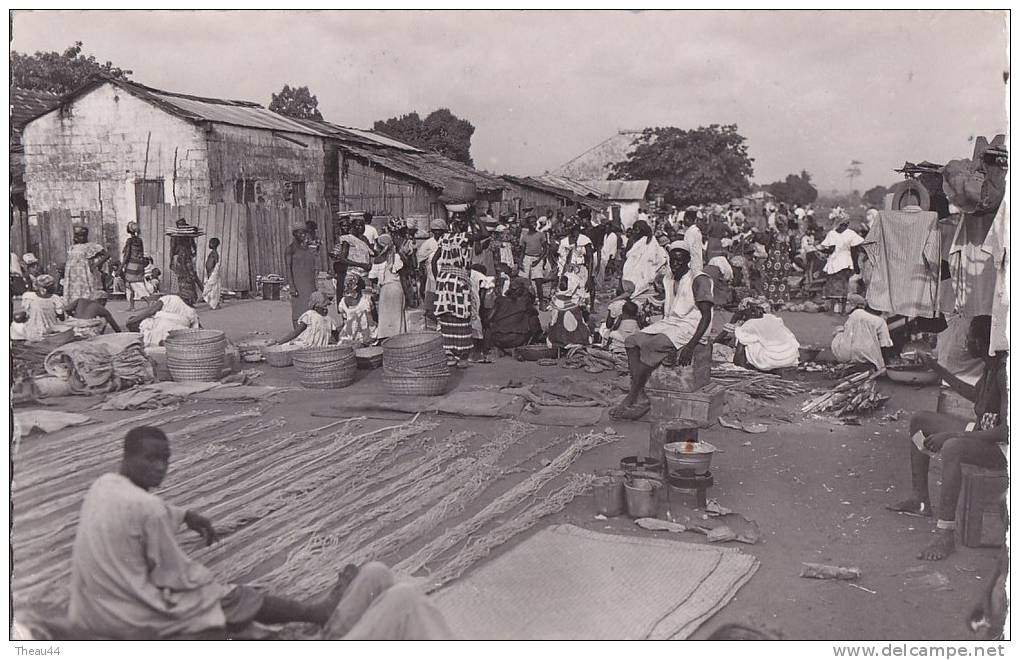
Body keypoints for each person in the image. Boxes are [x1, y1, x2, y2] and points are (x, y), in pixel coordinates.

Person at [67, 425, 452, 640]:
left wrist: (186, 515)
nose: (159, 470)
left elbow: (142, 508)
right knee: (401, 597)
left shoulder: (104, 486)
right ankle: (317, 614)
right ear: (127, 457)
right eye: (150, 460)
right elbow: (194, 586)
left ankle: (319, 618)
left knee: (376, 573)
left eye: (164, 461)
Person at [887, 316, 1007, 561]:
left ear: (986, 342)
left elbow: (1008, 432)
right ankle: (920, 500)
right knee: (920, 420)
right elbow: (975, 396)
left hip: (1003, 448)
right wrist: (937, 368)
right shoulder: (991, 365)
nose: (967, 342)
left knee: (952, 447)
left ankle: (945, 533)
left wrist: (954, 434)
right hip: (984, 432)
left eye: (971, 337)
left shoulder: (1006, 373)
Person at [611, 242, 714, 420]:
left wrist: (690, 346)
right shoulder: (668, 278)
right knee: (631, 341)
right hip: (672, 323)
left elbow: (706, 316)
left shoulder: (699, 279)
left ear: (688, 261)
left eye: (680, 261)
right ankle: (641, 395)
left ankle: (632, 395)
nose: (675, 265)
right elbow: (666, 304)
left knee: (652, 345)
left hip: (692, 326)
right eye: (673, 261)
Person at [433, 215, 482, 366]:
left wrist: (438, 279)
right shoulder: (464, 237)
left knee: (447, 315)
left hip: (444, 279)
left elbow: (435, 260)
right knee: (461, 315)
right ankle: (462, 356)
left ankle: (450, 353)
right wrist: (475, 218)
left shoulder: (444, 238)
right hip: (458, 280)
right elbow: (484, 234)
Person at [616, 220, 668, 313]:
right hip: (633, 274)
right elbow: (628, 256)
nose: (635, 232)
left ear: (642, 230)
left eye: (637, 230)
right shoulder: (633, 240)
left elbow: (658, 258)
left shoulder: (651, 241)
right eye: (634, 230)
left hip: (647, 276)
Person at [830, 297, 894, 370]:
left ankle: (851, 363)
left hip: (846, 352)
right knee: (872, 361)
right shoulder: (880, 321)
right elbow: (885, 345)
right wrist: (886, 364)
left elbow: (847, 329)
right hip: (867, 355)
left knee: (839, 331)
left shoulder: (857, 313)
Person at [819, 215, 864, 314]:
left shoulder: (832, 234)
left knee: (833, 286)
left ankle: (832, 310)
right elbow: (854, 250)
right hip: (846, 262)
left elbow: (830, 250)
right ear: (846, 224)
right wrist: (856, 265)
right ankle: (842, 310)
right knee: (844, 286)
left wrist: (822, 250)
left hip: (835, 263)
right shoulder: (851, 234)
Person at [486, 277, 542, 352]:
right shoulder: (524, 303)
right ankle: (531, 343)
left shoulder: (500, 300)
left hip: (496, 338)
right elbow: (535, 313)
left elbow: (489, 318)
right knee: (533, 319)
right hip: (515, 339)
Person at [332, 216, 375, 312]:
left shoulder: (364, 239)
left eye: (362, 225)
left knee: (366, 302)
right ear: (353, 226)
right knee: (352, 302)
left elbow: (372, 252)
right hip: (353, 275)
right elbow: (343, 259)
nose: (360, 228)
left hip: (365, 274)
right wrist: (361, 265)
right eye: (357, 225)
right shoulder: (347, 239)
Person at [129, 294, 201, 348]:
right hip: (179, 332)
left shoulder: (168, 298)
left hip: (161, 326)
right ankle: (166, 341)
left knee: (144, 323)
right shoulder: (192, 312)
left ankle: (161, 340)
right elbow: (197, 329)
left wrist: (132, 321)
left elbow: (150, 312)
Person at [285, 222, 319, 328]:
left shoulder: (309, 248)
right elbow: (288, 268)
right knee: (298, 309)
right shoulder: (290, 249)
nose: (303, 235)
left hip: (310, 283)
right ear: (294, 234)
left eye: (304, 233)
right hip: (298, 284)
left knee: (311, 308)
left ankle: (310, 333)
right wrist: (292, 286)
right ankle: (297, 334)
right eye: (300, 233)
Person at [64, 225, 109, 302]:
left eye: (81, 235)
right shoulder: (72, 247)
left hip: (84, 274)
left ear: (86, 235)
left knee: (86, 292)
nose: (78, 237)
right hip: (72, 275)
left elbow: (106, 255)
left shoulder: (91, 246)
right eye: (76, 235)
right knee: (73, 293)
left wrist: (95, 265)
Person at [374, 235, 407, 341]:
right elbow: (403, 274)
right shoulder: (396, 257)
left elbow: (374, 278)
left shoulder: (377, 260)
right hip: (396, 288)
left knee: (385, 318)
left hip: (385, 290)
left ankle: (386, 341)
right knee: (397, 317)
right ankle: (398, 341)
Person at [556, 220, 594, 307]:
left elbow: (590, 259)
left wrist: (589, 277)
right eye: (567, 226)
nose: (569, 228)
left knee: (582, 296)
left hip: (581, 271)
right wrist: (561, 276)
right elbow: (563, 260)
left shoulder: (584, 240)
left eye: (571, 226)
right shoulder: (564, 242)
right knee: (568, 295)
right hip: (568, 271)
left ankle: (582, 317)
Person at [546, 277, 590, 349]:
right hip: (575, 333)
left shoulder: (555, 300)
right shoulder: (575, 300)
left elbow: (552, 319)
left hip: (558, 334)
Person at [417, 219, 447, 328]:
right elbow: (421, 257)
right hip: (431, 272)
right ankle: (434, 317)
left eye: (440, 231)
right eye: (435, 231)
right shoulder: (428, 243)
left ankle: (442, 318)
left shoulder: (447, 241)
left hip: (444, 271)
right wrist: (422, 275)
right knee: (432, 294)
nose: (437, 233)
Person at [21, 274, 66, 340]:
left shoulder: (29, 297)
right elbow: (62, 318)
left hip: (33, 332)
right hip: (50, 332)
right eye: (53, 286)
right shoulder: (55, 299)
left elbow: (26, 313)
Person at [336, 274, 375, 347]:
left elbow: (345, 319)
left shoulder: (343, 302)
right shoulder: (365, 301)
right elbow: (370, 319)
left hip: (357, 333)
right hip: (357, 333)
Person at [168, 221, 201, 307]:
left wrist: (171, 260)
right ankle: (187, 301)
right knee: (188, 279)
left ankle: (187, 301)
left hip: (181, 259)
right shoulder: (184, 236)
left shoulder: (180, 236)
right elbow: (194, 249)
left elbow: (172, 249)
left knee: (184, 280)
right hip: (184, 259)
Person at [518, 216, 549, 306]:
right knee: (523, 280)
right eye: (531, 222)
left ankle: (541, 302)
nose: (534, 224)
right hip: (527, 258)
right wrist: (520, 262)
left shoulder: (540, 235)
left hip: (537, 258)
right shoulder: (524, 237)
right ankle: (523, 301)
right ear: (528, 224)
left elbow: (545, 249)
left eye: (535, 222)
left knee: (538, 280)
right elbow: (522, 251)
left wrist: (539, 260)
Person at [763, 217, 793, 306]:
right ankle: (781, 300)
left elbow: (767, 247)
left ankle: (771, 300)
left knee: (771, 280)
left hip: (774, 260)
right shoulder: (788, 236)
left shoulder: (774, 235)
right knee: (783, 281)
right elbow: (793, 249)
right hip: (785, 262)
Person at [122, 222, 147, 311]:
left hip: (131, 265)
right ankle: (131, 306)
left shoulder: (130, 241)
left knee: (135, 285)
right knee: (131, 285)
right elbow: (142, 253)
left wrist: (121, 267)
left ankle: (149, 302)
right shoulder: (140, 240)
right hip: (139, 265)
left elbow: (127, 255)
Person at [202, 237, 223, 310]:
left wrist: (213, 272)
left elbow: (216, 264)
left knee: (213, 289)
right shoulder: (212, 253)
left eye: (210, 243)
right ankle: (213, 304)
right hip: (210, 272)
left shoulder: (215, 253)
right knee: (212, 290)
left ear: (213, 244)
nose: (209, 244)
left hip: (213, 273)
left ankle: (215, 304)